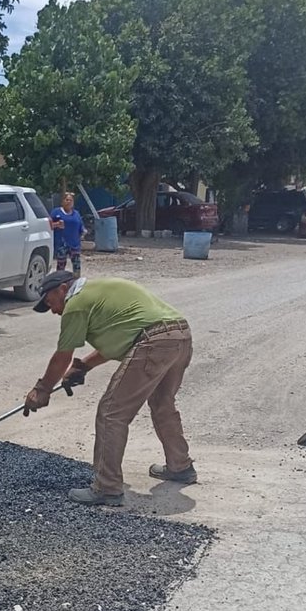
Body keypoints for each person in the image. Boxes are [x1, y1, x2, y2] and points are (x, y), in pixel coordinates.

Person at [23, 270, 197, 507]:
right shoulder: (100, 291)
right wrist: (84, 366)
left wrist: (42, 389)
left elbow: (62, 356)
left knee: (111, 413)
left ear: (63, 289)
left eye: (50, 302)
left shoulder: (76, 303)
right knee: (161, 403)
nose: (53, 310)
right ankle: (181, 466)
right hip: (180, 336)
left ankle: (107, 488)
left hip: (153, 341)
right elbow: (118, 339)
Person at [49, 192, 85, 277]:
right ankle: (59, 281)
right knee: (61, 265)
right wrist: (57, 224)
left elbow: (81, 226)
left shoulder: (76, 214)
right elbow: (48, 225)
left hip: (74, 244)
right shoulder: (56, 212)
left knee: (76, 265)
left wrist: (83, 232)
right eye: (67, 200)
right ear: (62, 201)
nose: (68, 202)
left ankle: (76, 280)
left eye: (71, 200)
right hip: (62, 244)